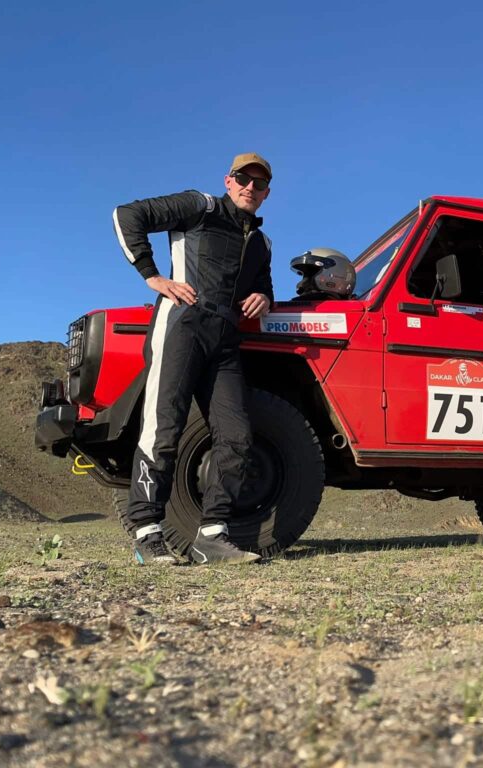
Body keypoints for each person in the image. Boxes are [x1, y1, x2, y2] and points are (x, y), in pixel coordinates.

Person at [112, 153, 276, 565]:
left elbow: (262, 285)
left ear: (267, 193)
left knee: (236, 436)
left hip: (226, 339)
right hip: (182, 324)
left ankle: (212, 536)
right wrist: (153, 275)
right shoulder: (199, 207)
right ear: (228, 180)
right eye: (243, 179)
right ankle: (147, 533)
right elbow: (128, 215)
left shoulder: (261, 242)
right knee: (163, 427)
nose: (250, 188)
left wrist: (264, 298)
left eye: (259, 184)